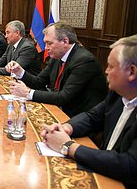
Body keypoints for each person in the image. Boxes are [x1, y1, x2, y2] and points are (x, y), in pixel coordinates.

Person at [41, 34, 137, 188]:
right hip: (104, 173)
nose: (106, 71)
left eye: (111, 66)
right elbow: (93, 117)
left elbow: (129, 164)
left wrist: (68, 146)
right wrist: (66, 127)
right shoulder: (118, 94)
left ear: (131, 72)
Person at [7, 23, 108, 117]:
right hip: (60, 109)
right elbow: (38, 82)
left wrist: (27, 92)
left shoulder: (84, 60)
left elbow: (64, 97)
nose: (46, 48)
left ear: (65, 41)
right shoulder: (57, 57)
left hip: (79, 116)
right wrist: (20, 72)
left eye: (49, 43)